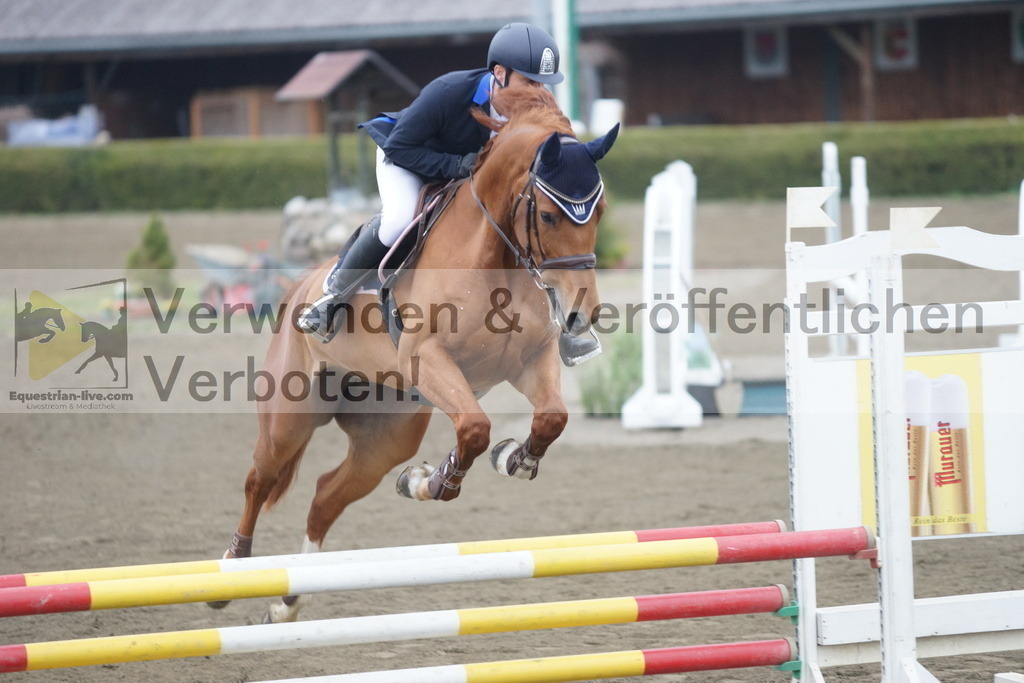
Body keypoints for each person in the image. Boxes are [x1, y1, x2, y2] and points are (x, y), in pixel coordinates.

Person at [298, 22, 601, 365]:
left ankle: (563, 329)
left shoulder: (539, 108)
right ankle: (333, 295)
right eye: (528, 80)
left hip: (467, 175)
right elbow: (401, 147)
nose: (537, 89)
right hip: (409, 159)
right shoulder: (449, 91)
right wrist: (458, 165)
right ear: (499, 73)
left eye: (541, 82)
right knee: (399, 219)